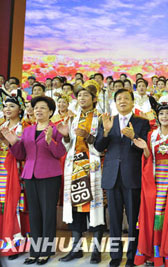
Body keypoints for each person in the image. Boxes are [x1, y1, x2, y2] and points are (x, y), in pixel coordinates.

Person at [1, 96, 65, 265]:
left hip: (50, 176)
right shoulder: (28, 130)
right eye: (36, 107)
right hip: (30, 176)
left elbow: (60, 153)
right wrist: (13, 142)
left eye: (43, 108)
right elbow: (22, 154)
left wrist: (50, 140)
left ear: (51, 111)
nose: (38, 110)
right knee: (35, 215)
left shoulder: (55, 128)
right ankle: (35, 251)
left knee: (48, 214)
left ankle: (46, 251)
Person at [94, 89, 150, 267]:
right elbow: (98, 147)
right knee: (115, 218)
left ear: (133, 102)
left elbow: (145, 148)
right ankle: (115, 255)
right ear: (115, 103)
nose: (123, 101)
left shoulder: (142, 122)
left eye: (126, 98)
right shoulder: (108, 121)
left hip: (132, 175)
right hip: (112, 175)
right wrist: (105, 132)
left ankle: (133, 256)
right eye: (119, 99)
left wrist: (134, 137)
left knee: (133, 218)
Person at [134, 95, 168, 267]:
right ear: (157, 117)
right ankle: (155, 253)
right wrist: (144, 149)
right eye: (162, 114)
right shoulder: (151, 135)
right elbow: (148, 158)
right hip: (155, 180)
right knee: (156, 216)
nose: (164, 117)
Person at [58, 82, 105, 264]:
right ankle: (76, 249)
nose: (82, 98)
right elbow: (68, 146)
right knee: (75, 210)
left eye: (86, 96)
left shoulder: (101, 118)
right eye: (80, 96)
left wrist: (89, 137)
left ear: (94, 99)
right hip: (75, 167)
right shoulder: (73, 118)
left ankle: (96, 251)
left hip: (93, 166)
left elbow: (102, 145)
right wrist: (66, 136)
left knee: (96, 209)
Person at [0, 94, 30, 260]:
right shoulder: (1, 125)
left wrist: (8, 141)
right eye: (5, 106)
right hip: (1, 168)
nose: (7, 109)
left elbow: (25, 152)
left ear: (20, 109)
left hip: (16, 170)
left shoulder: (24, 127)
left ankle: (14, 245)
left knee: (14, 206)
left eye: (11, 106)